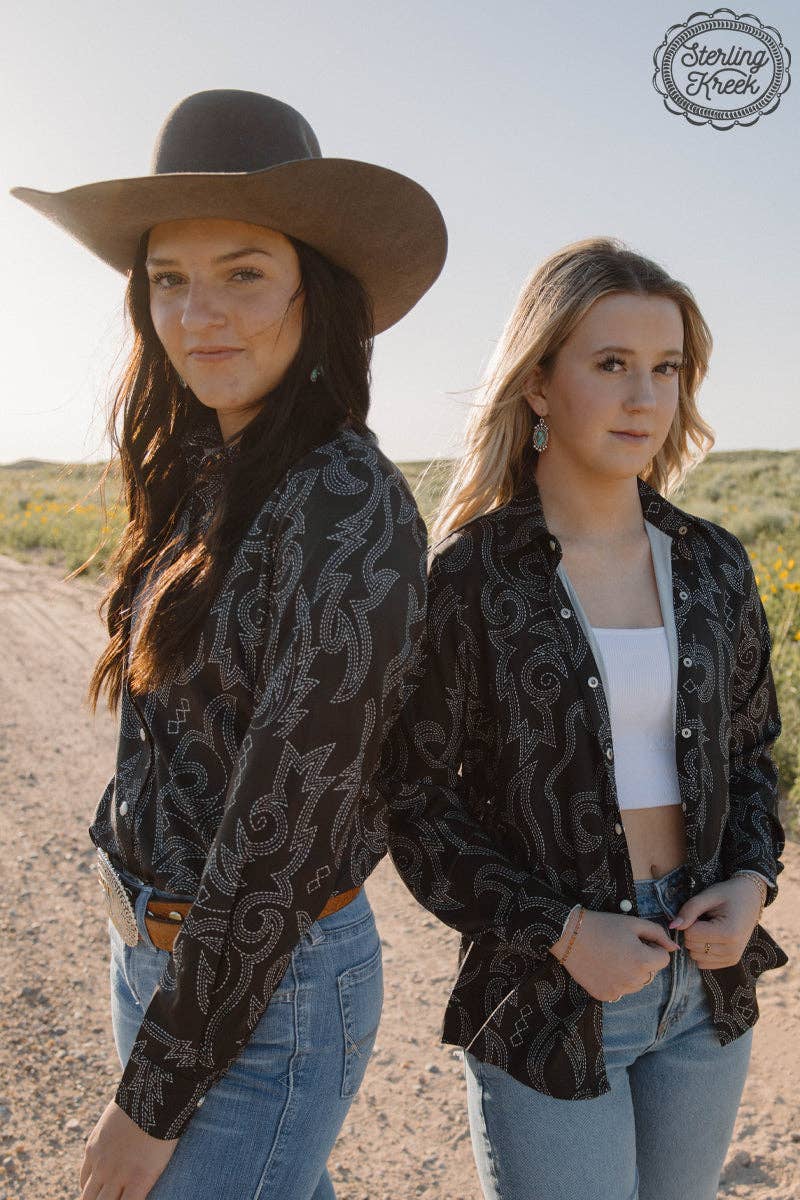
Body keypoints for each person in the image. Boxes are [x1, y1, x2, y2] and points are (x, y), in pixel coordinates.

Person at [12, 88, 446, 1199]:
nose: (198, 313)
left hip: (265, 996)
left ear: (315, 288)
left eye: (242, 272)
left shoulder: (350, 505)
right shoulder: (206, 471)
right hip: (168, 966)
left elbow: (277, 840)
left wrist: (147, 1102)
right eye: (169, 280)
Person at [378, 236, 789, 1200]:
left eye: (666, 369)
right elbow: (416, 807)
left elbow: (751, 753)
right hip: (547, 992)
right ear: (538, 383)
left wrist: (756, 882)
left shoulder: (713, 564)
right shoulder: (473, 579)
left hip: (707, 981)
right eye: (611, 365)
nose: (645, 398)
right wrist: (565, 933)